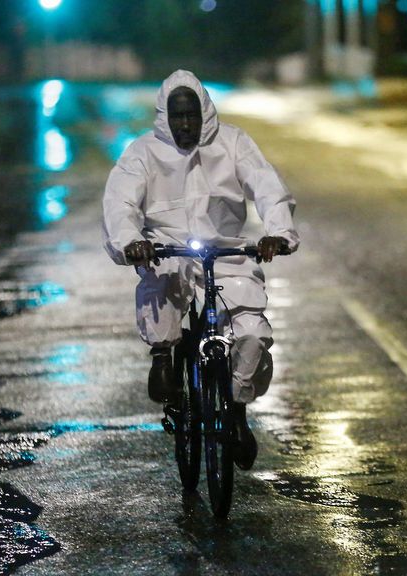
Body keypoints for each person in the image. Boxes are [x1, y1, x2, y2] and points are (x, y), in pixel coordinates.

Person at [102, 70, 299, 470]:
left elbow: (266, 185)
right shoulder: (142, 152)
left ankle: (238, 412)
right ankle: (163, 357)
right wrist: (132, 243)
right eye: (178, 117)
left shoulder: (233, 143)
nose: (185, 124)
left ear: (205, 113)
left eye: (191, 115)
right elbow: (120, 203)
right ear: (165, 117)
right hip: (168, 253)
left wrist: (276, 233)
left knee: (252, 332)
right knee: (160, 300)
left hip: (226, 254)